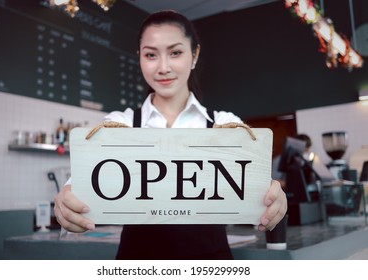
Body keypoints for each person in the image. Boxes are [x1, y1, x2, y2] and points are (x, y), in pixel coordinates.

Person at [54, 10, 287, 260]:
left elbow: (257, 186)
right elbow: (81, 183)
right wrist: (67, 202)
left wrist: (274, 199)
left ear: (194, 55)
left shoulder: (224, 124)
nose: (163, 67)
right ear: (140, 58)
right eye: (151, 55)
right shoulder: (119, 124)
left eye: (175, 52)